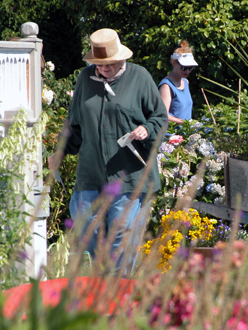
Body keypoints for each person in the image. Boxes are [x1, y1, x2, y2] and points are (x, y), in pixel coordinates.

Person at [48, 28, 168, 276]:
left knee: (121, 230)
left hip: (128, 174)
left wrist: (146, 129)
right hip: (91, 172)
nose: (104, 68)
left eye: (109, 64)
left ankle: (115, 290)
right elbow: (74, 123)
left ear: (120, 58)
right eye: (99, 64)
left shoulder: (140, 77)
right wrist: (60, 151)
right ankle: (105, 279)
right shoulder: (84, 79)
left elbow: (159, 117)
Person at [158, 40, 198, 124]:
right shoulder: (166, 86)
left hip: (186, 132)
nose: (187, 71)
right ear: (174, 63)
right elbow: (163, 115)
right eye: (184, 68)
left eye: (190, 68)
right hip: (172, 134)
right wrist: (184, 123)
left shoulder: (185, 82)